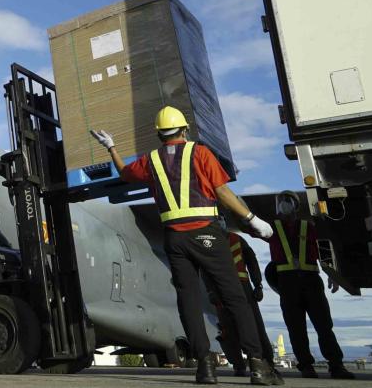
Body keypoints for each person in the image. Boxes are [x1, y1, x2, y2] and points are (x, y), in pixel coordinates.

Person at [91, 106, 279, 385]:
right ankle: (257, 365)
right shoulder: (200, 153)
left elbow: (125, 173)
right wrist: (251, 218)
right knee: (235, 299)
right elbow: (222, 191)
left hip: (175, 239)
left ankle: (205, 367)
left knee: (188, 300)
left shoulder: (151, 160)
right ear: (184, 129)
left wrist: (112, 147)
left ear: (158, 134)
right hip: (206, 233)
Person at [269, 190, 354, 380]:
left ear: (297, 205)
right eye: (281, 200)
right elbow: (247, 224)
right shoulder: (271, 228)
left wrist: (334, 274)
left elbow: (325, 248)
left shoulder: (309, 226)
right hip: (287, 284)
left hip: (311, 281)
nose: (285, 203)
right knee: (295, 327)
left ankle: (336, 365)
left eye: (288, 200)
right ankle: (306, 366)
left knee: (324, 325)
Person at [213, 225, 279, 382]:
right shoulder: (213, 241)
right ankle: (239, 364)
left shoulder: (236, 240)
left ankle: (265, 362)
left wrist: (257, 284)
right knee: (228, 328)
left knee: (254, 325)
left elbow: (251, 261)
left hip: (243, 287)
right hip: (223, 288)